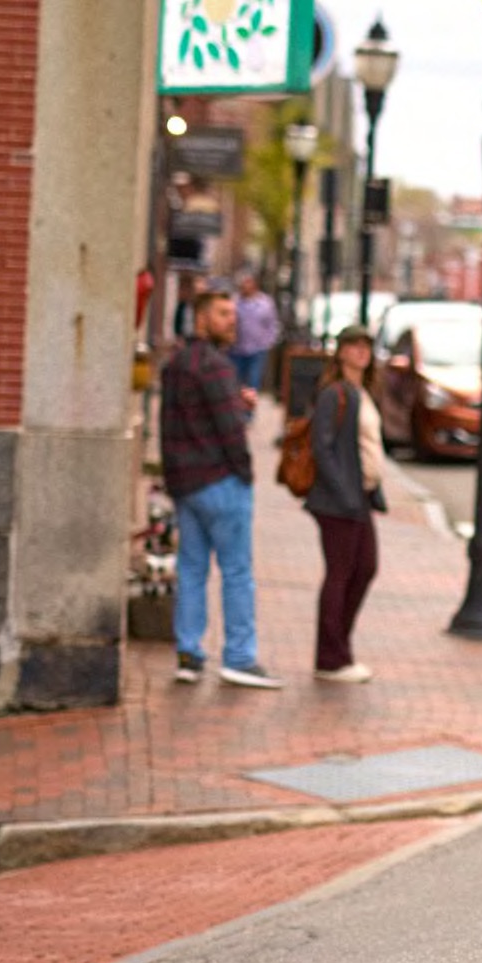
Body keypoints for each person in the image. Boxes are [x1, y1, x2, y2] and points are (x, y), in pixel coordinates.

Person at [158, 288, 279, 687]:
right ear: (202, 319)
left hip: (186, 484)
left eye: (232, 313)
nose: (233, 321)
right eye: (223, 314)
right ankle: (240, 657)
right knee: (237, 571)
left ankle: (189, 654)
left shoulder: (177, 364)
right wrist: (245, 473)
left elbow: (174, 423)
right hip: (220, 481)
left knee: (191, 568)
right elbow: (229, 431)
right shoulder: (216, 366)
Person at [305, 324, 386, 682]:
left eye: (366, 346)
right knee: (340, 574)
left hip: (360, 498)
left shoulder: (363, 392)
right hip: (340, 502)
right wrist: (344, 492)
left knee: (365, 568)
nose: (361, 352)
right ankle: (331, 659)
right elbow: (321, 447)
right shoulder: (334, 393)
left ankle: (340, 648)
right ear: (340, 352)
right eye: (353, 346)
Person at [230, 272, 280, 394]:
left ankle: (249, 411)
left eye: (248, 282)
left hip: (257, 349)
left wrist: (269, 342)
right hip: (237, 349)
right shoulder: (234, 301)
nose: (245, 286)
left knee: (253, 381)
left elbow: (272, 324)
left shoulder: (265, 303)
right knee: (236, 381)